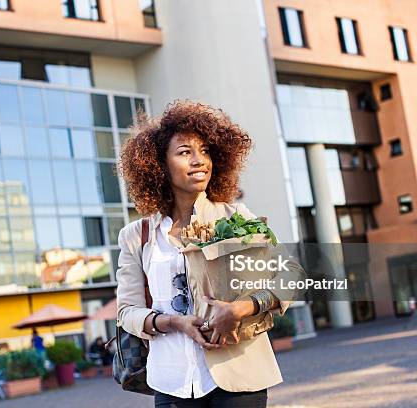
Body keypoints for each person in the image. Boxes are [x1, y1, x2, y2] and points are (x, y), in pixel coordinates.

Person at [116, 101, 306, 407]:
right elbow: (127, 312)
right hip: (172, 382)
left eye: (205, 151)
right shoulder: (136, 236)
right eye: (184, 152)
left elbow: (292, 275)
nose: (199, 160)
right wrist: (174, 323)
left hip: (239, 376)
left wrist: (242, 309)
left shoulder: (237, 217)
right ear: (158, 165)